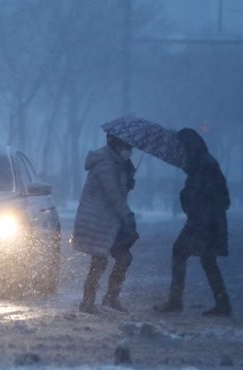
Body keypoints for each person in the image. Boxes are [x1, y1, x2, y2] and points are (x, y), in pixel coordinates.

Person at [155, 128, 232, 317]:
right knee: (207, 260)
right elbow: (222, 198)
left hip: (203, 222)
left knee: (180, 252)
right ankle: (222, 303)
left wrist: (187, 197)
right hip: (210, 222)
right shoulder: (204, 163)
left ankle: (176, 301)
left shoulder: (202, 166)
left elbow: (201, 196)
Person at [71, 134, 138, 314]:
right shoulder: (105, 164)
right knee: (101, 260)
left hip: (110, 219)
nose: (129, 150)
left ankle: (106, 298)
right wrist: (127, 215)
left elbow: (118, 192)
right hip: (99, 219)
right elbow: (113, 194)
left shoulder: (118, 164)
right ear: (116, 144)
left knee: (117, 258)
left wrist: (128, 181)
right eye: (126, 145)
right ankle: (91, 300)